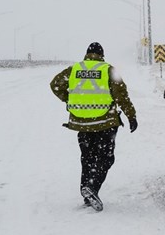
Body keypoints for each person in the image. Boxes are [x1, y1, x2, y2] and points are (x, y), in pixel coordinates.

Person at [50, 42, 137, 212]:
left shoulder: (75, 69)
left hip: (82, 123)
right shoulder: (108, 69)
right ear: (102, 55)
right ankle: (92, 188)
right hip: (105, 123)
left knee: (87, 158)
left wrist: (69, 99)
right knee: (106, 158)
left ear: (87, 54)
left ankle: (87, 193)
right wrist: (131, 116)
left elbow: (55, 84)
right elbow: (121, 95)